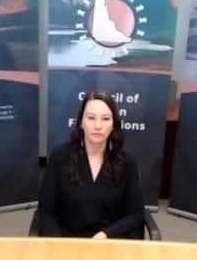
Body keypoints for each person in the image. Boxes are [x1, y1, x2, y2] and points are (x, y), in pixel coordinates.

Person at [38, 92, 145, 238]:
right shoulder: (59, 156)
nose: (98, 125)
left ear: (113, 124)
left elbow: (136, 214)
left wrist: (107, 234)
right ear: (81, 121)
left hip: (110, 244)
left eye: (106, 119)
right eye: (91, 118)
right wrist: (59, 246)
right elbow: (45, 212)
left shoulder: (127, 162)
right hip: (69, 245)